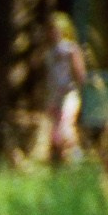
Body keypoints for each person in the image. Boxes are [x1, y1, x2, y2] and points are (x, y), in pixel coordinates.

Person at [43, 11, 87, 164]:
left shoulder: (70, 49)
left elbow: (80, 73)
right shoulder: (49, 52)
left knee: (66, 126)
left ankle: (76, 158)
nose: (54, 33)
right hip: (55, 95)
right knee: (54, 133)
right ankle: (59, 163)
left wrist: (76, 87)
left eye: (57, 30)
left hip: (69, 93)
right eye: (51, 30)